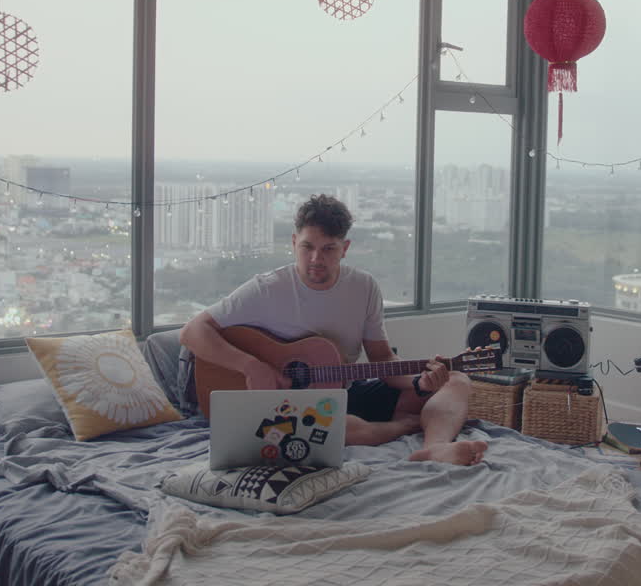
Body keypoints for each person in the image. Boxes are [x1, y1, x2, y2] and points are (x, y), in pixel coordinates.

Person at [181, 194, 487, 466]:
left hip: (341, 391)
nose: (316, 259)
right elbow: (193, 332)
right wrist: (250, 366)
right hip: (282, 405)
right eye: (307, 247)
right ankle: (404, 426)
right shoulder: (266, 289)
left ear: (345, 248)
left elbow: (381, 360)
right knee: (333, 426)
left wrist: (420, 383)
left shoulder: (363, 287)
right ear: (293, 243)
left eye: (328, 249)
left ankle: (434, 447)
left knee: (457, 379)